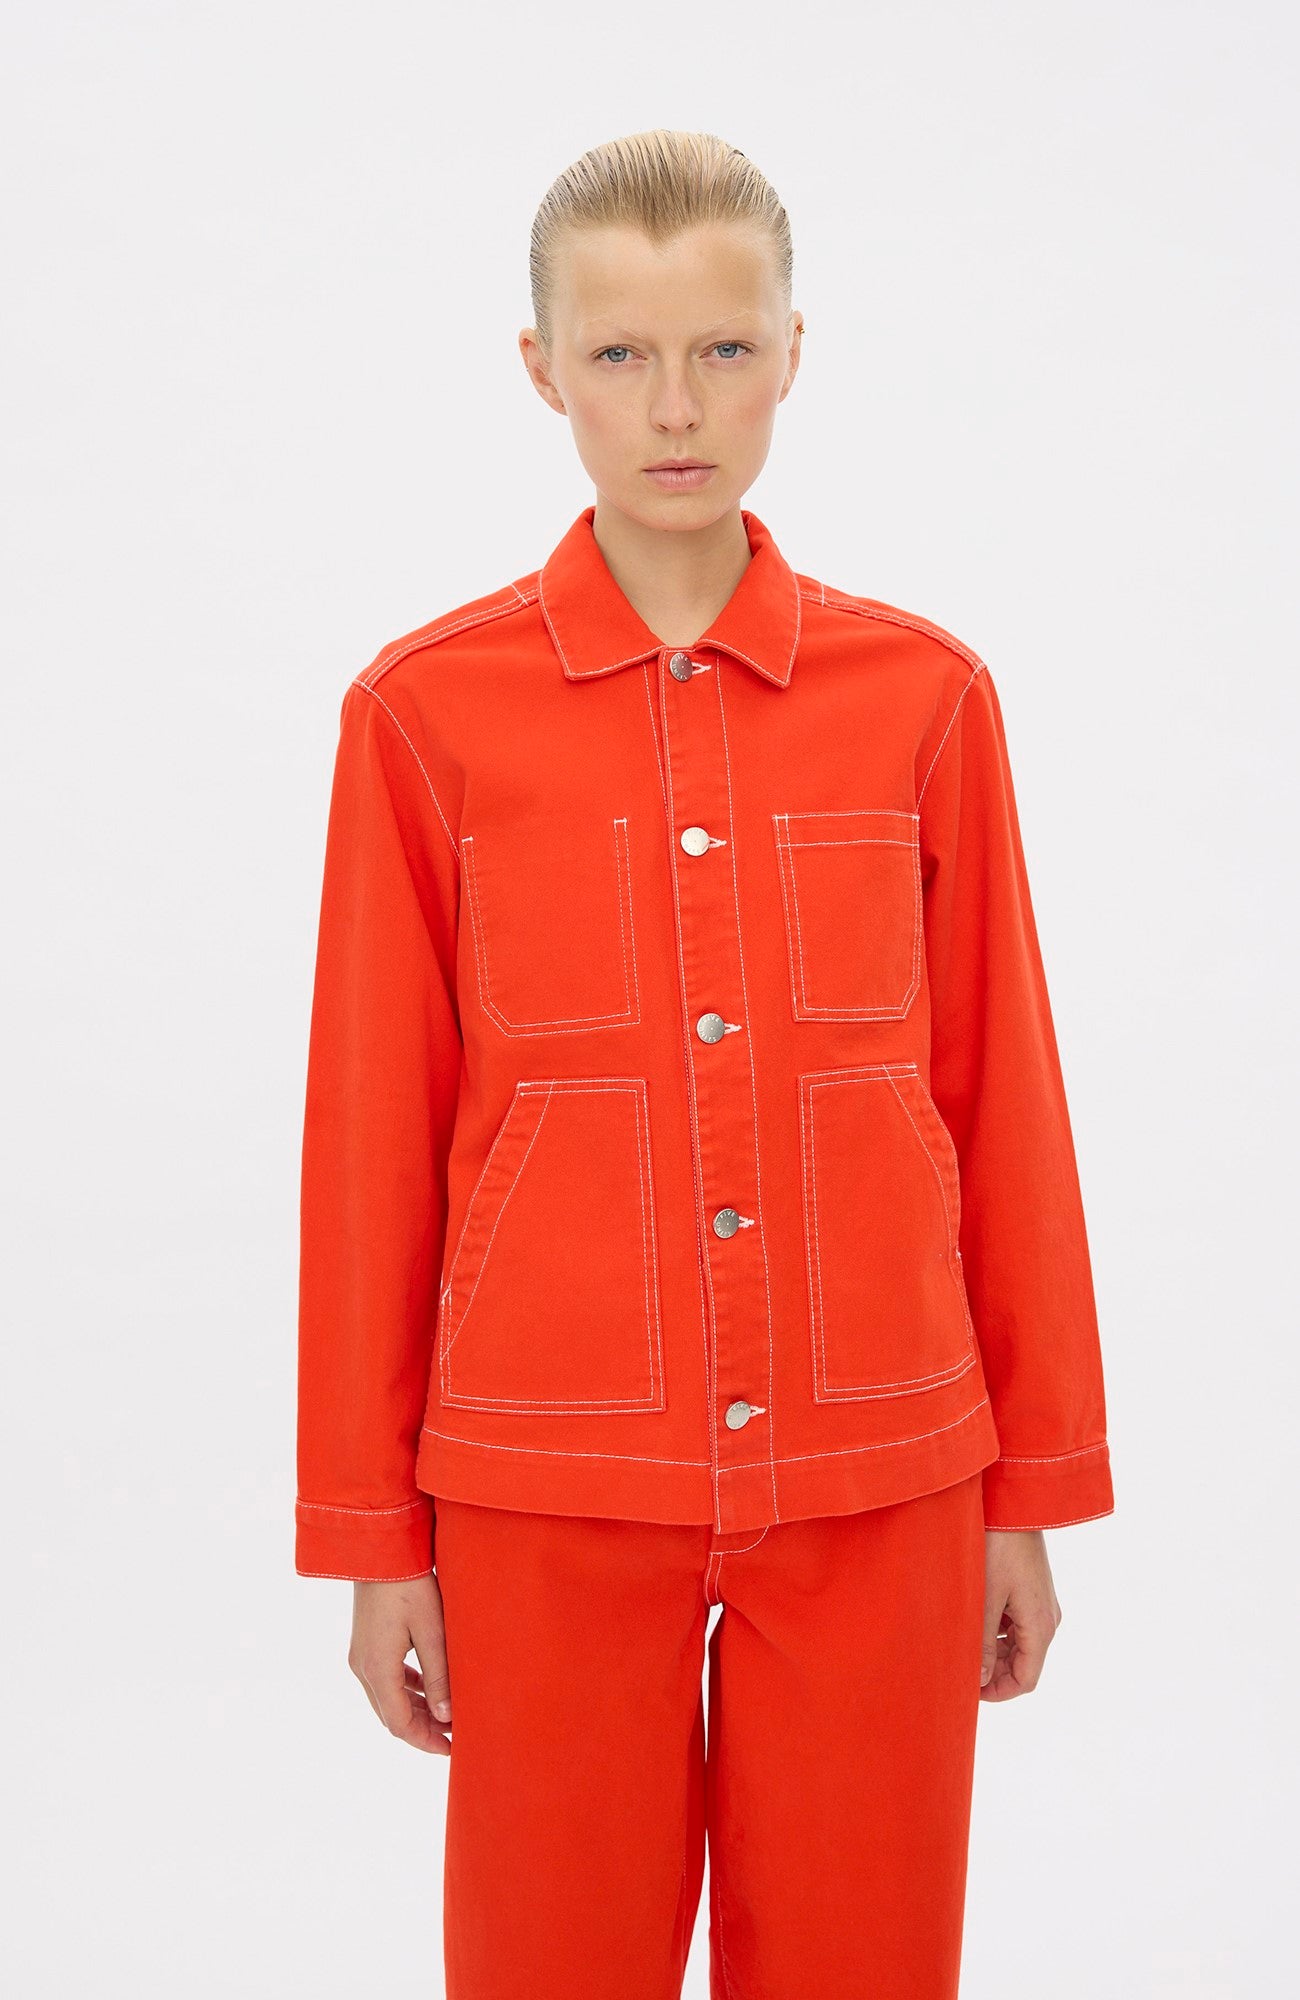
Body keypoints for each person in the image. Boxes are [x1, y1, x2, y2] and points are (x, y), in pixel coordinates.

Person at [294, 128, 1114, 1999]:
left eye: (724, 351)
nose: (677, 408)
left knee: (864, 1962)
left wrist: (1028, 1492)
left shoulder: (927, 702)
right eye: (622, 355)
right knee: (548, 1962)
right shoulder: (422, 717)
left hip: (883, 1472)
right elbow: (372, 1143)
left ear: (793, 353)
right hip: (543, 1479)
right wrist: (372, 1535)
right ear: (542, 370)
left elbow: (1002, 1102)